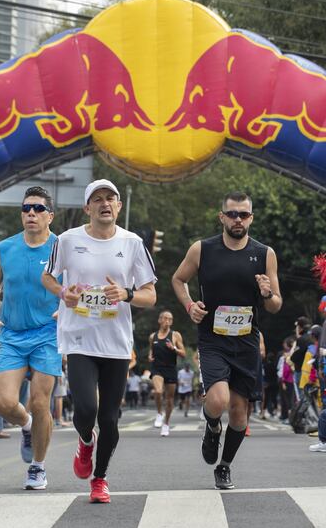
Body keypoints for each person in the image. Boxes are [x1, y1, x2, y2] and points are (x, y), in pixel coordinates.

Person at [41, 178, 156, 503]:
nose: (105, 203)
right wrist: (64, 293)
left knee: (109, 418)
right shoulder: (66, 240)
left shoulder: (133, 243)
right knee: (87, 408)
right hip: (78, 337)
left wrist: (126, 293)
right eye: (98, 199)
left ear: (118, 207)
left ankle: (100, 478)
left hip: (116, 342)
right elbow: (47, 276)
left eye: (111, 199)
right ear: (87, 208)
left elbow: (150, 294)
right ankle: (85, 441)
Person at [172, 190, 282, 489]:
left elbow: (275, 305)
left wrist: (267, 293)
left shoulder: (264, 254)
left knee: (238, 413)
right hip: (213, 339)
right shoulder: (202, 249)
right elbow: (178, 279)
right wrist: (190, 306)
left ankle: (224, 466)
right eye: (232, 214)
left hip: (246, 342)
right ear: (221, 216)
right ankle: (210, 425)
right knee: (218, 401)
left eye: (243, 214)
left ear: (251, 218)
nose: (237, 219)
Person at [0, 186, 61, 490]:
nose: (31, 213)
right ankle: (27, 426)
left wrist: (67, 311)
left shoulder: (61, 248)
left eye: (39, 209)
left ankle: (38, 467)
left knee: (41, 403)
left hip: (48, 335)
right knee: (4, 404)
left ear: (50, 216)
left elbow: (77, 287)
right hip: (12, 335)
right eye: (27, 208)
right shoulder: (4, 248)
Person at [148, 310, 186, 436]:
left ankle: (166, 424)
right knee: (158, 391)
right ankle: (159, 413)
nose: (167, 321)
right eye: (165, 318)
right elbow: (151, 351)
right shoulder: (153, 336)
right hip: (157, 367)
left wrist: (173, 348)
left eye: (170, 319)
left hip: (170, 368)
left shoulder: (175, 335)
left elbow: (183, 353)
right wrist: (150, 356)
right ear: (159, 320)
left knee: (169, 400)